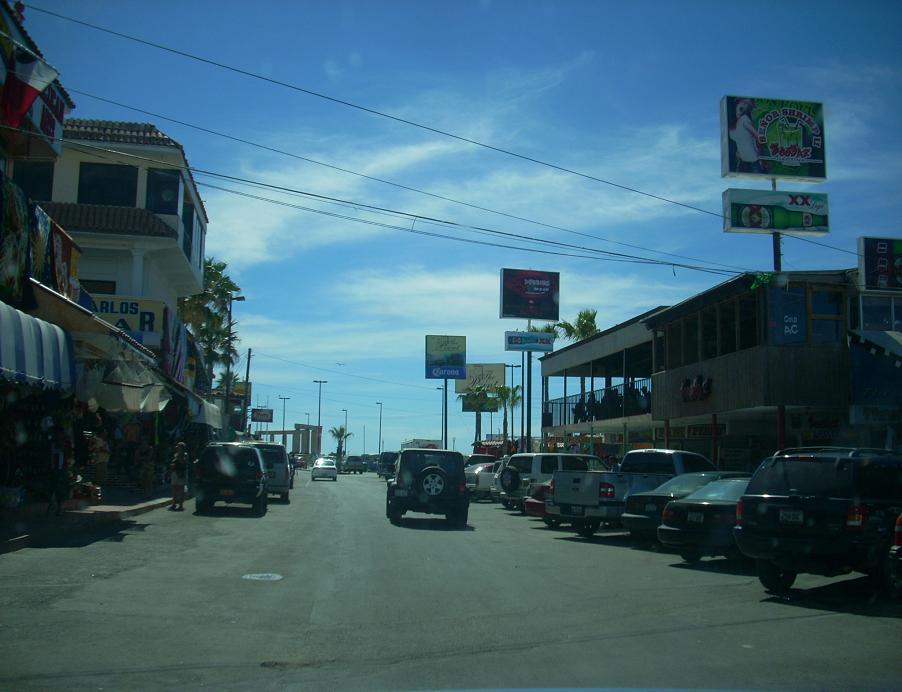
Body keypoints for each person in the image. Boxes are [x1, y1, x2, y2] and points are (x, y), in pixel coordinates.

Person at [169, 442, 188, 511]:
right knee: (174, 489)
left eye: (179, 447)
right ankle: (173, 504)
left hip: (181, 473)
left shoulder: (185, 454)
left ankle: (181, 505)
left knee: (181, 489)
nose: (177, 448)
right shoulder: (175, 454)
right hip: (174, 473)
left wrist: (178, 456)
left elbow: (183, 462)